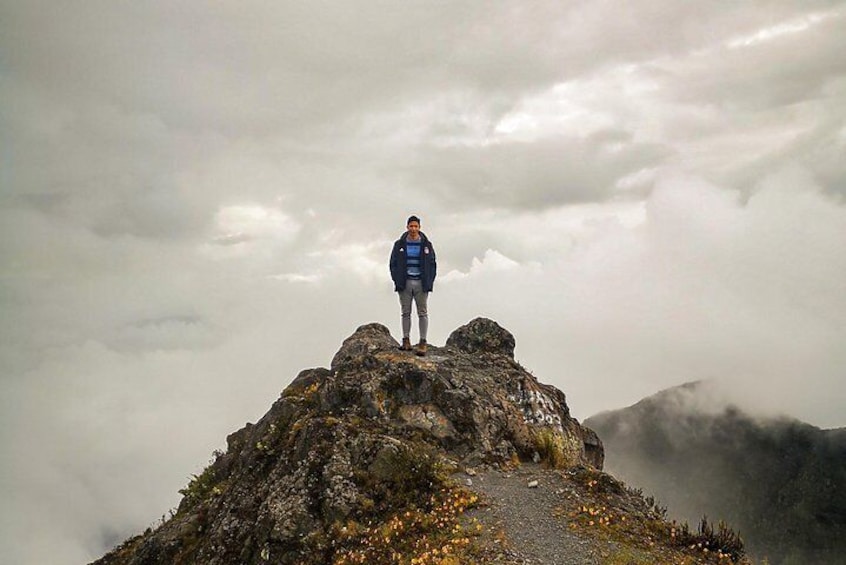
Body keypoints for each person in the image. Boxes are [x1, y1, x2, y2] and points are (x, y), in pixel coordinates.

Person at [389, 215, 437, 356]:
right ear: (407, 227)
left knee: (422, 313)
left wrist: (429, 281)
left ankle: (423, 342)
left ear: (419, 227)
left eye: (416, 226)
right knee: (406, 313)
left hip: (421, 283)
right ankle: (406, 340)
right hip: (405, 283)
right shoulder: (399, 244)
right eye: (411, 226)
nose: (413, 229)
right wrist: (397, 280)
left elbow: (433, 264)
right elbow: (393, 264)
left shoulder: (427, 245)